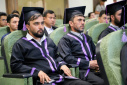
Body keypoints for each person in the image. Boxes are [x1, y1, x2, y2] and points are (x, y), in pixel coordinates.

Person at [11, 7, 92, 85]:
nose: (40, 27)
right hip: (42, 81)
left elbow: (57, 56)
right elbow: (16, 65)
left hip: (58, 77)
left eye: (42, 23)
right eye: (36, 23)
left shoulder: (48, 41)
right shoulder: (21, 44)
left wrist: (62, 64)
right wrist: (36, 72)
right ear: (28, 26)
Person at [57, 6, 104, 85]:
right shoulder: (65, 40)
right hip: (81, 70)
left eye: (83, 20)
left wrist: (96, 63)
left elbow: (95, 51)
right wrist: (88, 64)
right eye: (79, 20)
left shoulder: (87, 37)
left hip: (94, 69)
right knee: (101, 82)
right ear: (71, 23)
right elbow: (68, 58)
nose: (82, 22)